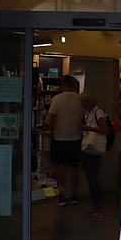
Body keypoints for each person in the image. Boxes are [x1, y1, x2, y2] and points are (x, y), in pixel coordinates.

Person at [47, 75, 84, 205]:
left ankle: (61, 196)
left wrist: (52, 135)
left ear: (63, 85)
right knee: (75, 169)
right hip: (75, 139)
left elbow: (52, 120)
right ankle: (75, 195)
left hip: (59, 139)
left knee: (60, 169)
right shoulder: (80, 100)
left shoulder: (57, 99)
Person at [79, 94, 111, 221]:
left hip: (93, 151)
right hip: (89, 150)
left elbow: (105, 130)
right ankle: (96, 207)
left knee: (93, 180)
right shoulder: (89, 113)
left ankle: (101, 210)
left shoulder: (98, 112)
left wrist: (86, 128)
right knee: (91, 180)